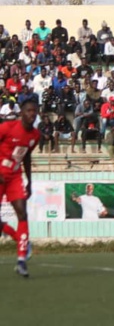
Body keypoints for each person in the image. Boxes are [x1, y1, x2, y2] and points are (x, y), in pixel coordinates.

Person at [0, 98, 40, 277]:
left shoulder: (35, 135)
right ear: (22, 112)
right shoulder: (8, 127)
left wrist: (29, 180)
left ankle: (21, 260)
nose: (32, 114)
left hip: (15, 176)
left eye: (34, 111)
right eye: (29, 110)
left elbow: (26, 157)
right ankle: (19, 239)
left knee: (22, 213)